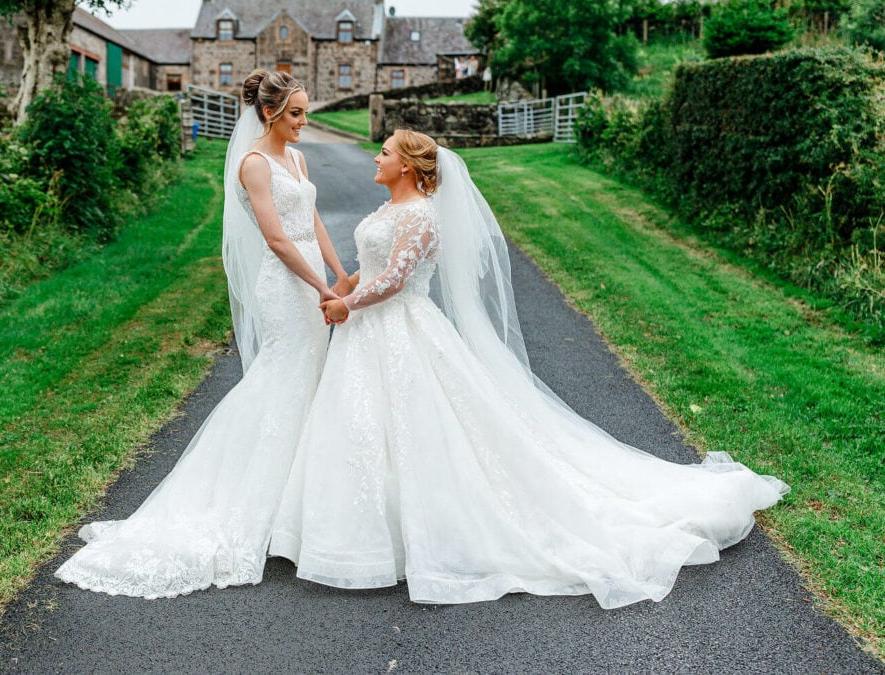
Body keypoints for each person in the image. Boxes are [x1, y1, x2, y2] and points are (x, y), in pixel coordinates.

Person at [269, 130, 788, 607]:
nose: (375, 158)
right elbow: (375, 269)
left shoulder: (421, 216)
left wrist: (349, 304)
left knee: (418, 425)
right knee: (361, 425)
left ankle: (431, 531)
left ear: (407, 166)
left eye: (384, 152)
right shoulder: (389, 209)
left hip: (401, 328)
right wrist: (342, 284)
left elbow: (398, 281)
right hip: (367, 331)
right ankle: (357, 532)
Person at [54, 70, 351, 598]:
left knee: (311, 378)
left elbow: (314, 222)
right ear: (269, 114)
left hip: (311, 278)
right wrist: (319, 289)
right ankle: (247, 501)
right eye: (297, 113)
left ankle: (298, 507)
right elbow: (279, 240)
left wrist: (339, 275)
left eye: (306, 111)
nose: (306, 121)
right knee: (283, 378)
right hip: (284, 285)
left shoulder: (298, 159)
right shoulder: (254, 164)